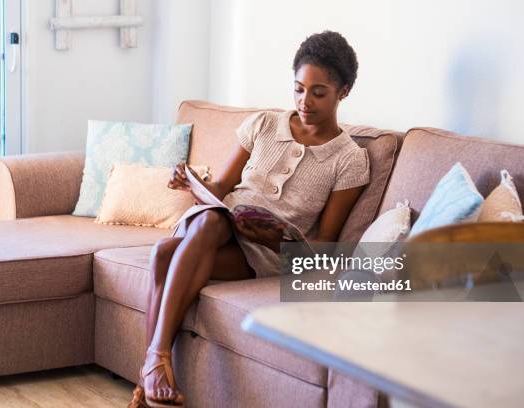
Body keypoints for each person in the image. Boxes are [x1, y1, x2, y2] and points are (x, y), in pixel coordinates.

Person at [129, 30, 370, 408]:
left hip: (265, 253)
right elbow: (222, 185)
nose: (305, 102)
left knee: (163, 254)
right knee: (210, 221)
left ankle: (147, 379)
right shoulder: (262, 125)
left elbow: (326, 246)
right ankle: (157, 362)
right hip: (216, 222)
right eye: (298, 89)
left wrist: (275, 240)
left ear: (344, 91)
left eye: (318, 92)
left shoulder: (350, 160)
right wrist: (191, 181)